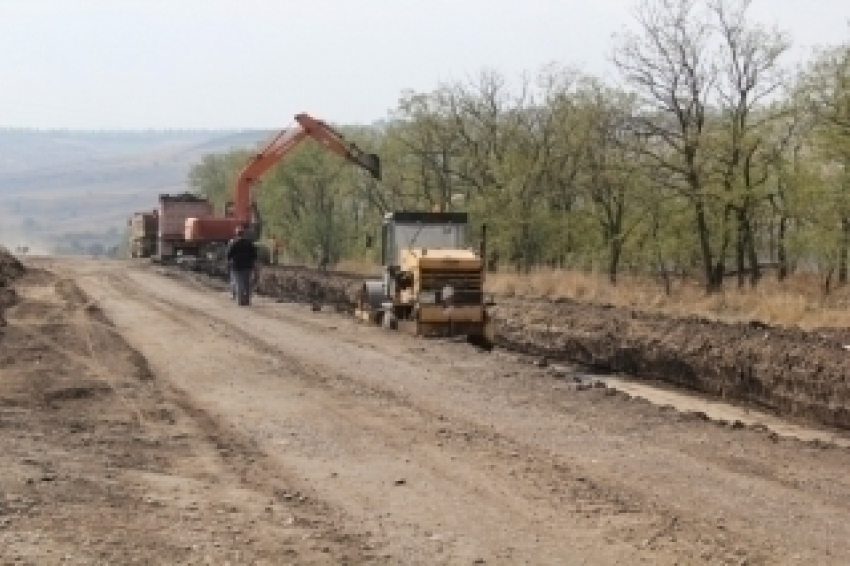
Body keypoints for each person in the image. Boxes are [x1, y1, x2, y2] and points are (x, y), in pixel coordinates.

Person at [225, 225, 259, 306]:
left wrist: (227, 265)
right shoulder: (249, 243)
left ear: (236, 234)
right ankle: (247, 300)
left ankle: (240, 300)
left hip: (237, 266)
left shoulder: (234, 243)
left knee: (239, 283)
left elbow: (229, 255)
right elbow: (254, 256)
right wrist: (255, 266)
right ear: (243, 234)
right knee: (247, 283)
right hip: (248, 266)